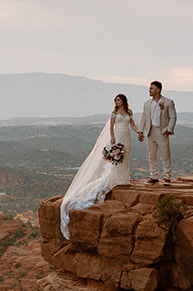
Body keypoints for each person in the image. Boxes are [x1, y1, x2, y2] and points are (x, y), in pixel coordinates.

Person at [59, 94, 141, 238]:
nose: (117, 102)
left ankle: (123, 178)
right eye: (115, 100)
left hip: (127, 136)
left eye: (118, 100)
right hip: (118, 136)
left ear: (123, 101)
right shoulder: (114, 113)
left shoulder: (129, 112)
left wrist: (139, 132)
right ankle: (116, 178)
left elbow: (132, 124)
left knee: (125, 158)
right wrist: (113, 139)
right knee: (117, 159)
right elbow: (111, 127)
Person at [142, 80, 177, 184]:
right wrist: (140, 131)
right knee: (152, 155)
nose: (149, 90)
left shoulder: (168, 102)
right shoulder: (147, 103)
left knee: (165, 155)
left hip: (162, 131)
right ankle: (154, 176)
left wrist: (169, 129)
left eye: (151, 88)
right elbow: (144, 118)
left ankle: (167, 176)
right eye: (149, 88)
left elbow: (173, 117)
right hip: (150, 131)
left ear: (158, 90)